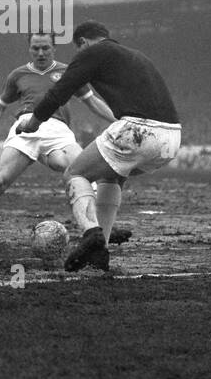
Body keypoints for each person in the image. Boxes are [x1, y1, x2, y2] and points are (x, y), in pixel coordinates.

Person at [16, 21, 181, 272]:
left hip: (138, 129)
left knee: (75, 172)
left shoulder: (92, 52)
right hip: (171, 138)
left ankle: (92, 233)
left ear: (82, 43)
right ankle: (99, 252)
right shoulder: (136, 56)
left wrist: (34, 121)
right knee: (111, 177)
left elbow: (60, 90)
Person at [0, 30, 120, 248]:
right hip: (25, 129)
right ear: (29, 49)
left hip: (58, 132)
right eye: (36, 48)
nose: (40, 53)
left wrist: (117, 120)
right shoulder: (17, 75)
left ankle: (100, 229)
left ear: (54, 48)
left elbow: (92, 101)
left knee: (85, 174)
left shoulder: (68, 72)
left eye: (45, 48)